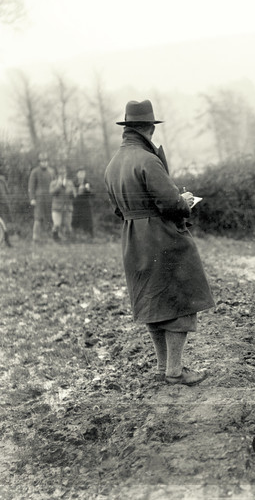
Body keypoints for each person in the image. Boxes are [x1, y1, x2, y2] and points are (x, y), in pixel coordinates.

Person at [104, 99, 215, 386]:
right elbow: (170, 204)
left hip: (133, 239)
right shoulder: (148, 160)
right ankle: (175, 371)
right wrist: (185, 201)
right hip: (162, 238)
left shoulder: (113, 164)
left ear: (128, 128)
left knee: (152, 303)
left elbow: (117, 209)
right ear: (149, 129)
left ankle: (162, 367)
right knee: (181, 300)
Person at [28, 152, 54, 242]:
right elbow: (31, 187)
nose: (44, 163)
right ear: (39, 162)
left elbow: (54, 185)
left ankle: (49, 236)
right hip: (39, 199)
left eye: (46, 161)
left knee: (50, 217)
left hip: (50, 198)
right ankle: (36, 237)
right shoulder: (35, 172)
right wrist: (32, 199)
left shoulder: (51, 171)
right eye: (42, 161)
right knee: (38, 218)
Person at [49, 164, 77, 241]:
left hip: (67, 208)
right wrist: (58, 185)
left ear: (66, 174)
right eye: (60, 174)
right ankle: (56, 239)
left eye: (64, 173)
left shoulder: (70, 183)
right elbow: (51, 193)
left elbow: (74, 195)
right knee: (57, 225)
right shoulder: (54, 183)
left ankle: (67, 240)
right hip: (57, 208)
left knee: (68, 226)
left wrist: (71, 192)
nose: (62, 175)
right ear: (58, 174)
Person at [72, 168, 95, 239]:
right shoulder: (74, 182)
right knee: (75, 220)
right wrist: (77, 190)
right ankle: (75, 236)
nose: (81, 175)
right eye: (80, 173)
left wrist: (88, 190)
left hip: (86, 204)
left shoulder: (88, 183)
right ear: (77, 174)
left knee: (88, 220)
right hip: (76, 204)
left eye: (83, 173)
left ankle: (90, 236)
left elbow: (94, 194)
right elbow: (70, 194)